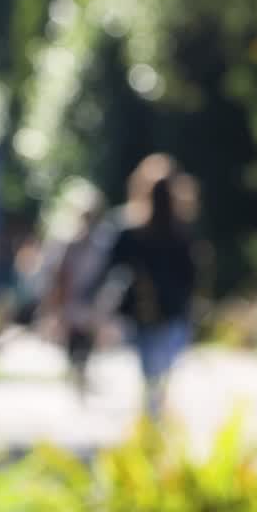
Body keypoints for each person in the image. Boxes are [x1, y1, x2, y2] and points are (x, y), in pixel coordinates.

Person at [105, 155, 199, 420]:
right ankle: (153, 420)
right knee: (158, 373)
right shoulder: (162, 230)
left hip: (154, 312)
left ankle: (153, 419)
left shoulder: (142, 229)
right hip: (156, 312)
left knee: (154, 373)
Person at [36, 180, 116, 397]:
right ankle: (77, 372)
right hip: (70, 302)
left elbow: (105, 274)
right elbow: (56, 276)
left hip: (91, 301)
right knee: (74, 342)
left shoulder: (103, 242)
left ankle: (81, 372)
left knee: (85, 341)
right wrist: (53, 308)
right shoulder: (64, 240)